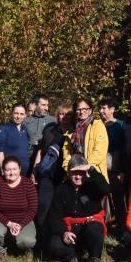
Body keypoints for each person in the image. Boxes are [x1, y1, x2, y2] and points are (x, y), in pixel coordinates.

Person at [47, 155, 112, 262]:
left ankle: (94, 258)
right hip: (70, 229)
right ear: (69, 173)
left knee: (94, 229)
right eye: (74, 173)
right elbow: (54, 217)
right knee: (54, 244)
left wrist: (91, 169)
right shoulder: (61, 189)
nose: (78, 176)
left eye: (81, 173)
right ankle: (72, 256)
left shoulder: (92, 185)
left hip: (90, 226)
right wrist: (64, 233)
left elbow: (107, 188)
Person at [32, 104, 74, 250]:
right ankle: (40, 241)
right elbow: (40, 151)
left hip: (66, 179)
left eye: (68, 114)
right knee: (43, 206)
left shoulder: (76, 132)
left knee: (61, 210)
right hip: (48, 176)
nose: (64, 117)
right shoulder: (50, 129)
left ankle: (60, 241)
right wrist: (35, 170)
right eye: (62, 114)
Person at [0, 156, 38, 259]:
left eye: (14, 169)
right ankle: (1, 249)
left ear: (20, 169)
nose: (11, 173)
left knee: (27, 241)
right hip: (2, 220)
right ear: (3, 171)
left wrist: (21, 225)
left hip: (24, 220)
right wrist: (9, 224)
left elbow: (33, 209)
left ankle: (24, 250)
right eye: (8, 170)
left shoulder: (28, 184)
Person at [98, 98, 126, 239]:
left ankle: (122, 229)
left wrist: (122, 170)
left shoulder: (121, 126)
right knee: (101, 199)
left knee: (119, 200)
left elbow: (124, 149)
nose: (102, 111)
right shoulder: (97, 125)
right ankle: (103, 227)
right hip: (100, 169)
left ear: (112, 109)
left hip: (115, 169)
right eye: (100, 108)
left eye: (104, 108)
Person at [0, 104, 30, 175]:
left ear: (25, 115)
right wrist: (3, 170)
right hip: (9, 173)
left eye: (21, 114)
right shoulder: (3, 129)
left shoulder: (25, 130)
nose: (18, 116)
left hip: (24, 173)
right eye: (16, 113)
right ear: (11, 114)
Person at [24, 94, 55, 162]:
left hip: (46, 160)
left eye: (47, 105)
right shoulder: (25, 122)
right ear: (35, 105)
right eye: (43, 105)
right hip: (28, 159)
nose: (46, 108)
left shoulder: (53, 121)